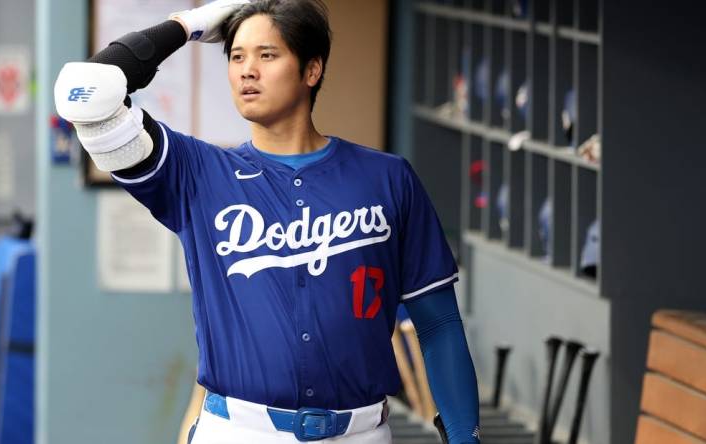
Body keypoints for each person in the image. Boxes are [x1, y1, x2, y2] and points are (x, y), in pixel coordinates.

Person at [54, 1, 480, 442]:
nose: (247, 70)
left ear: (312, 70)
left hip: (362, 432)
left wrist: (465, 435)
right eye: (237, 56)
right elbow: (84, 92)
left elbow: (438, 323)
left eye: (267, 55)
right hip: (240, 431)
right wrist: (192, 24)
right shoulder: (197, 174)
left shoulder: (387, 178)